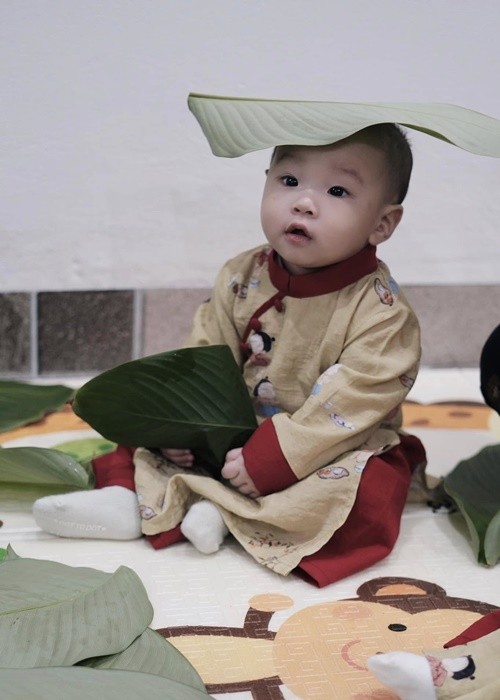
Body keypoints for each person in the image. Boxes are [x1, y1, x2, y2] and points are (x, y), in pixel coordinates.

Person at [34, 123, 426, 587]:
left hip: (324, 443)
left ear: (382, 223)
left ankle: (223, 513)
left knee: (368, 489)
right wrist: (186, 424)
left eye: (337, 190)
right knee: (143, 423)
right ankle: (124, 500)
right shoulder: (242, 275)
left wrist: (279, 456)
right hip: (233, 429)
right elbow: (206, 354)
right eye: (288, 181)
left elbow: (360, 397)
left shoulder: (381, 313)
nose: (303, 202)